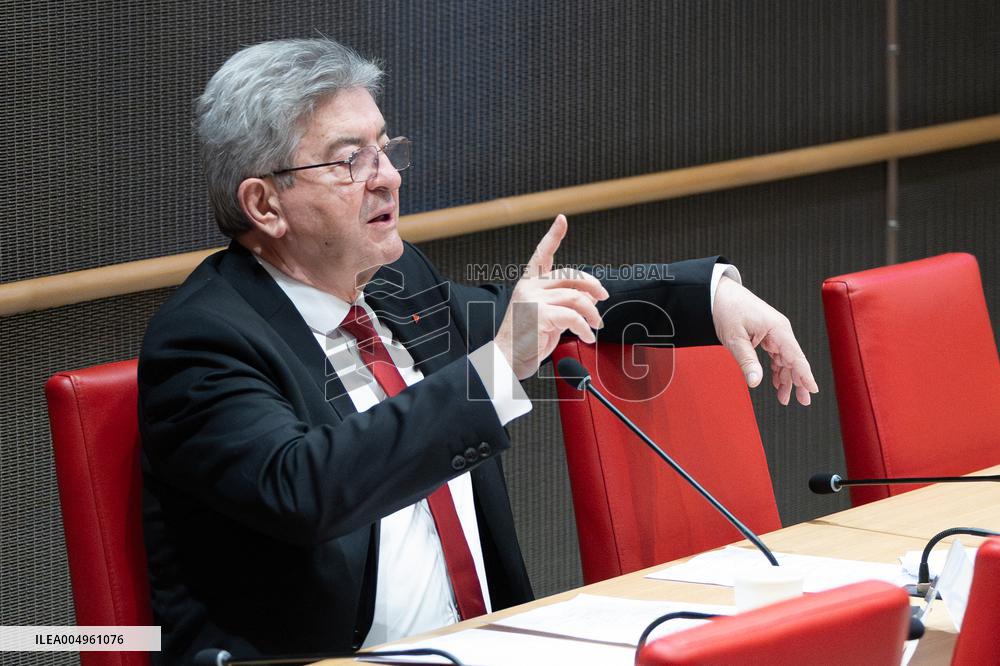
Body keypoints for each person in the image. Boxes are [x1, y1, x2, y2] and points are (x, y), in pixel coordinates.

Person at [138, 37, 818, 663]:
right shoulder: (205, 342)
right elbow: (307, 489)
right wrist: (497, 366)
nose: (388, 179)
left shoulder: (397, 283)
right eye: (351, 160)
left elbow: (536, 306)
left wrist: (710, 294)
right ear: (264, 205)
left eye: (386, 148)